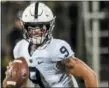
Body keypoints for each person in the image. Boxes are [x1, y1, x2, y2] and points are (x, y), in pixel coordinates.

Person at [3, 2, 98, 88]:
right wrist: (9, 80)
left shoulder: (57, 48)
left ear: (50, 26)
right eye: (32, 26)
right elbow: (10, 83)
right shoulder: (20, 48)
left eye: (41, 26)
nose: (36, 31)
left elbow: (90, 75)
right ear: (24, 26)